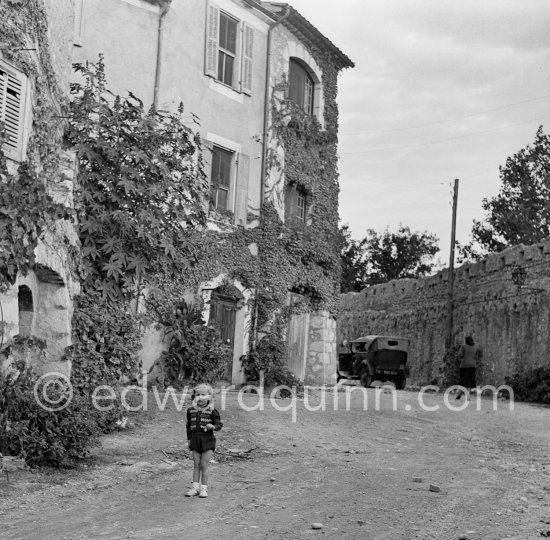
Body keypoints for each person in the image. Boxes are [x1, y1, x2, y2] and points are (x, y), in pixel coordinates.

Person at [185, 383, 223, 498]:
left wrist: (213, 427)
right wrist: (189, 440)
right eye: (197, 394)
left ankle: (204, 489)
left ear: (209, 397)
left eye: (203, 395)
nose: (200, 397)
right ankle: (195, 488)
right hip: (195, 440)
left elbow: (219, 425)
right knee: (196, 465)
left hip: (208, 441)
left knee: (203, 465)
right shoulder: (190, 410)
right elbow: (188, 426)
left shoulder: (212, 411)